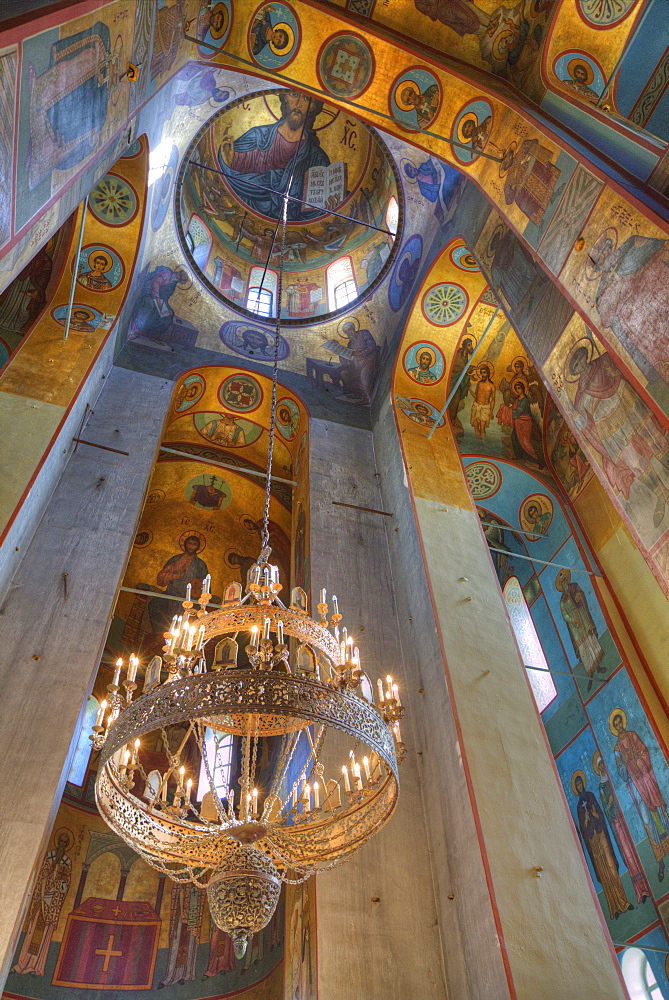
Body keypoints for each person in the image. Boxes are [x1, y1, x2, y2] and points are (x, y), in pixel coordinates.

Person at [568, 345, 669, 526]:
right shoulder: (580, 394)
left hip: (626, 404)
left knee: (655, 441)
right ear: (574, 372)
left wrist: (613, 372)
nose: (579, 365)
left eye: (579, 359)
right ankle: (662, 495)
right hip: (609, 427)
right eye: (575, 365)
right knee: (634, 462)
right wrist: (575, 416)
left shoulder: (602, 362)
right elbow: (583, 423)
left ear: (585, 356)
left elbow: (619, 373)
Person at [217, 91, 332, 221]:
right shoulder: (256, 136)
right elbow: (229, 176)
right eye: (294, 95)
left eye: (306, 98)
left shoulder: (316, 157)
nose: (299, 104)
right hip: (246, 216)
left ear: (312, 107)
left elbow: (310, 210)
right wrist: (227, 162)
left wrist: (328, 207)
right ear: (285, 99)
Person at [612, 710, 669, 880]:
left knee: (658, 809)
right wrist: (625, 764)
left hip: (646, 779)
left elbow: (645, 751)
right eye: (616, 725)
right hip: (636, 787)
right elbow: (621, 773)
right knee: (646, 820)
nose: (619, 726)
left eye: (619, 723)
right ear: (614, 728)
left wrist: (639, 758)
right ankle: (660, 860)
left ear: (622, 722)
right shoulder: (617, 749)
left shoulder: (633, 735)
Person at [573, 772, 633, 920]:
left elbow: (600, 814)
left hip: (601, 836)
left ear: (583, 784)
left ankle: (623, 901)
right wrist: (586, 820)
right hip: (593, 843)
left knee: (611, 867)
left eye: (581, 783)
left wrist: (594, 814)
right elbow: (582, 828)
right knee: (604, 874)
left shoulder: (591, 796)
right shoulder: (579, 806)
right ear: (576, 788)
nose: (580, 786)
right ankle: (613, 908)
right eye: (577, 785)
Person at [594, 753, 652, 904]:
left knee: (635, 849)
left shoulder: (613, 779)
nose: (602, 767)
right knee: (627, 853)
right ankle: (640, 890)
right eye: (600, 766)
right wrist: (609, 803)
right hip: (616, 823)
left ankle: (648, 885)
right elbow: (605, 808)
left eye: (603, 764)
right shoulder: (601, 787)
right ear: (598, 769)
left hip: (624, 819)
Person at [13, 830, 73, 976]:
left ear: (67, 845)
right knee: (32, 931)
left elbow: (66, 886)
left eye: (65, 843)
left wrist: (61, 880)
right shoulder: (49, 856)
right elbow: (40, 876)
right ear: (57, 841)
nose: (61, 845)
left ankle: (36, 967)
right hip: (41, 900)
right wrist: (47, 877)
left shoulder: (67, 862)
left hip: (52, 904)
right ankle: (21, 963)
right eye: (60, 841)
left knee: (45, 935)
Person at [147, 536, 208, 637]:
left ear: (198, 547)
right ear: (185, 544)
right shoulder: (175, 559)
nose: (191, 546)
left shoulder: (200, 565)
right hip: (171, 594)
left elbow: (205, 585)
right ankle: (160, 634)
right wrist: (173, 576)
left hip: (189, 599)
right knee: (154, 605)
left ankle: (182, 637)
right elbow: (161, 579)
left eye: (194, 544)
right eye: (189, 543)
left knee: (190, 615)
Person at [555, 568, 605, 689]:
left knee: (590, 641)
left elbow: (581, 595)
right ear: (561, 585)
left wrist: (579, 599)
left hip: (583, 619)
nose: (564, 582)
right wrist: (572, 620)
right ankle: (591, 675)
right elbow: (564, 614)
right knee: (583, 649)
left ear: (567, 579)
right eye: (562, 582)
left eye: (565, 580)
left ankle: (598, 667)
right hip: (575, 628)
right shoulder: (562, 600)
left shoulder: (574, 587)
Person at [158, 883, 205, 987]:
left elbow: (200, 895)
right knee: (176, 945)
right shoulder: (180, 882)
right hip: (179, 917)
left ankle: (184, 975)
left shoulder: (197, 885)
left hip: (192, 918)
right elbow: (177, 891)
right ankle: (170, 977)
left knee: (189, 947)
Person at [129, 266, 188, 344]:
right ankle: (135, 331)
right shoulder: (167, 273)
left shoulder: (172, 286)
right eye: (179, 273)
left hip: (158, 300)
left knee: (167, 317)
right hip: (148, 292)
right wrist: (157, 299)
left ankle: (152, 335)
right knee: (149, 306)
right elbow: (155, 283)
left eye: (180, 277)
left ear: (179, 281)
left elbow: (165, 298)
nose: (177, 275)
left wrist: (169, 310)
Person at [333, 322, 380, 404]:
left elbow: (372, 345)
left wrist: (361, 353)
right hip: (356, 366)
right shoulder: (350, 343)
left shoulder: (364, 333)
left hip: (369, 360)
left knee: (364, 374)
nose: (349, 333)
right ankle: (358, 394)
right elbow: (347, 362)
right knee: (344, 373)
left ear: (353, 328)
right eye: (346, 332)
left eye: (349, 330)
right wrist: (340, 352)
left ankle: (367, 397)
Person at [448, 336, 474, 437]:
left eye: (471, 345)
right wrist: (470, 368)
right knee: (452, 399)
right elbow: (459, 367)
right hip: (452, 380)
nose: (471, 347)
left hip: (458, 382)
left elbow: (465, 370)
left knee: (456, 400)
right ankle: (451, 419)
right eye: (469, 345)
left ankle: (452, 419)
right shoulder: (459, 354)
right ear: (464, 346)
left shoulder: (465, 355)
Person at [469, 362, 496, 437]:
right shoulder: (479, 383)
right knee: (475, 426)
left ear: (488, 373)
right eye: (481, 373)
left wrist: (491, 411)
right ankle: (477, 444)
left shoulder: (492, 386)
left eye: (484, 373)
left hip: (485, 408)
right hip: (476, 406)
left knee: (482, 428)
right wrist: (470, 389)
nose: (482, 375)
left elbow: (493, 400)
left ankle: (483, 444)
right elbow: (476, 396)